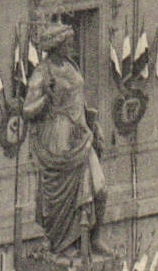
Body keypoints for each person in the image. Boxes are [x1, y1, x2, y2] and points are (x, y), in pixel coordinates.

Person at [22, 18, 110, 257]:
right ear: (56, 46)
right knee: (64, 196)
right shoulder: (42, 73)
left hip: (81, 134)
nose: (72, 47)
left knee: (100, 189)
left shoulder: (72, 66)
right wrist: (46, 98)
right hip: (58, 138)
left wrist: (93, 123)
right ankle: (63, 244)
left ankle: (95, 237)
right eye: (67, 43)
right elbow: (27, 110)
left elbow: (79, 98)